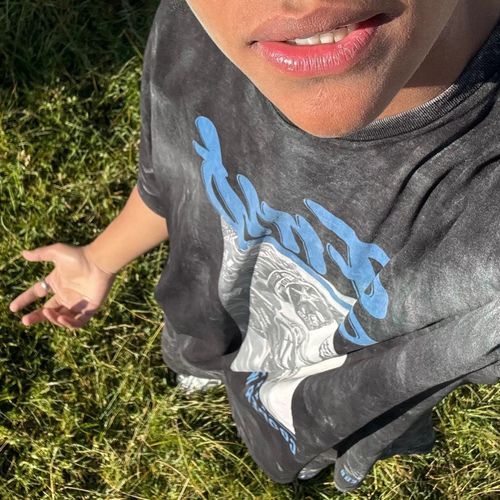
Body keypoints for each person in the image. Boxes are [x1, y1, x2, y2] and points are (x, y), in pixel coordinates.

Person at [9, 0, 500, 492]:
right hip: (204, 318)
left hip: (308, 410)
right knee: (199, 352)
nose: (298, 4)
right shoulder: (196, 31)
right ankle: (204, 369)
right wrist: (98, 259)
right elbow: (180, 173)